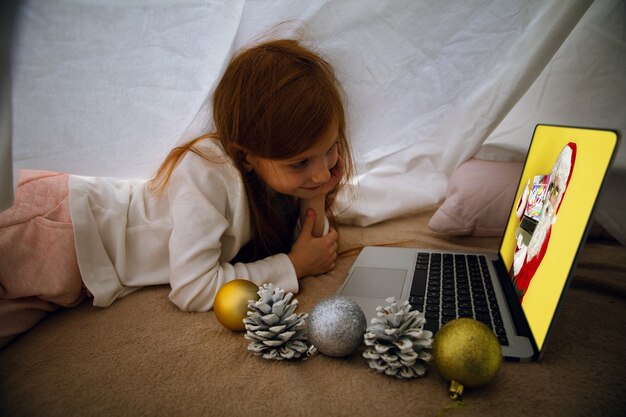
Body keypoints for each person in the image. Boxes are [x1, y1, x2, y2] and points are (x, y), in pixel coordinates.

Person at [0, 38, 354, 348]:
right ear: (247, 155)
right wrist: (291, 267)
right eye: (301, 163)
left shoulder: (279, 180)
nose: (322, 171)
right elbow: (192, 288)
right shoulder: (208, 171)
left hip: (81, 277)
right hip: (56, 224)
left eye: (330, 149)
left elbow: (314, 247)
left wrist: (314, 196)